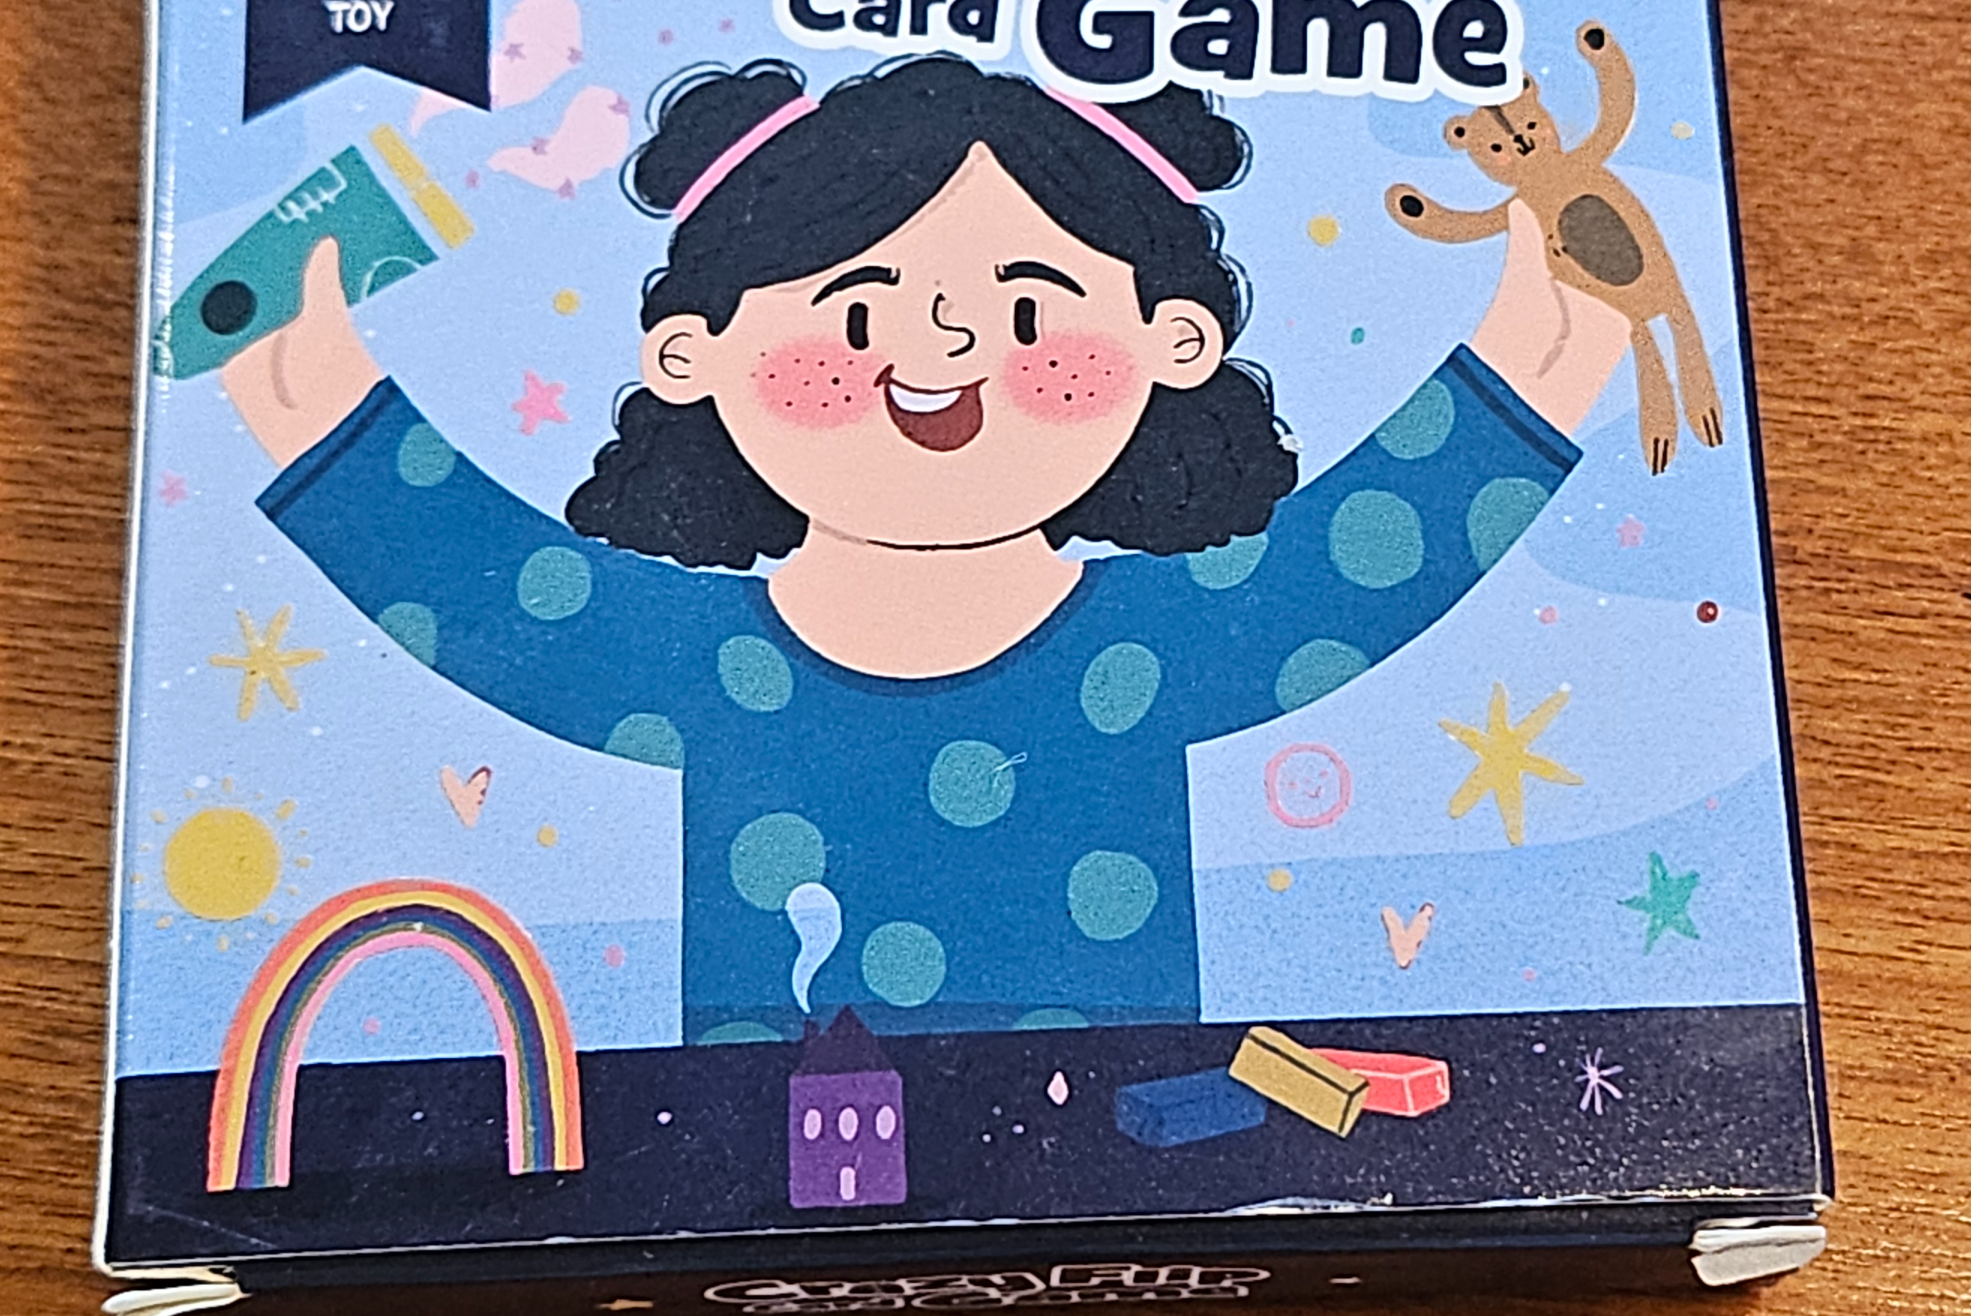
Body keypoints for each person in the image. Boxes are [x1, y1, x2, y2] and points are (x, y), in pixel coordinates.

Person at [226, 54, 1628, 1041]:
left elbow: (1358, 564)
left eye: (1028, 314)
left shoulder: (1154, 645)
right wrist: (323, 412)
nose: (942, 348)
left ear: (1176, 342)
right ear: (689, 358)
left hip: (1121, 1128)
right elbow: (498, 604)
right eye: (854, 315)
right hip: (758, 1151)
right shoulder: (700, 666)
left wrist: (1534, 361)